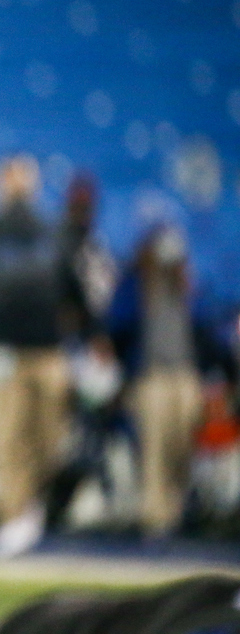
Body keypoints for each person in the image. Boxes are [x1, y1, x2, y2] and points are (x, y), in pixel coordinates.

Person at [0, 153, 95, 556]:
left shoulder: (53, 233)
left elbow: (76, 292)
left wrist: (92, 336)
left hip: (47, 352)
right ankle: (13, 515)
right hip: (1, 352)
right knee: (6, 435)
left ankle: (31, 503)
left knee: (50, 439)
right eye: (9, 179)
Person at [108, 225, 235, 537]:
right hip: (152, 379)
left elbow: (208, 333)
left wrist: (226, 375)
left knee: (181, 449)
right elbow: (115, 325)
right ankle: (155, 518)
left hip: (185, 378)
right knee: (155, 448)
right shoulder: (135, 287)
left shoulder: (187, 291)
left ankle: (175, 513)